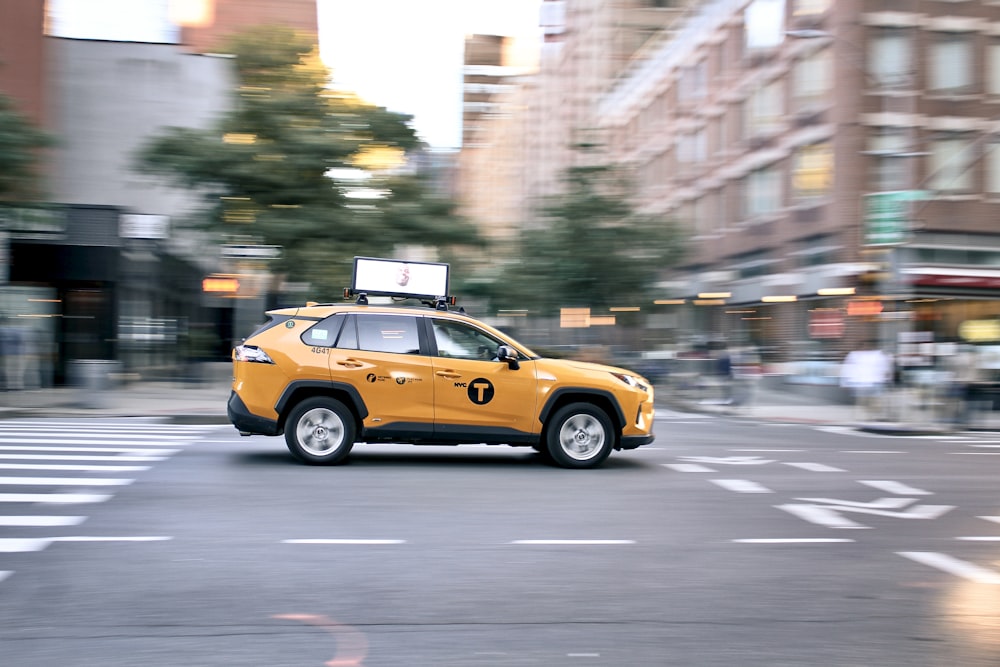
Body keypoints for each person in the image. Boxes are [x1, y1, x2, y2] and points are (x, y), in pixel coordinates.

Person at [840, 341, 893, 420]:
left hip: (875, 383)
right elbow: (847, 368)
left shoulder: (877, 355)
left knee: (874, 402)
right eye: (863, 347)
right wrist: (844, 382)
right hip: (861, 383)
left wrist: (887, 378)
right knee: (864, 402)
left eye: (867, 346)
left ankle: (872, 416)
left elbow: (885, 368)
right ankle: (870, 416)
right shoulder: (854, 355)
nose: (865, 348)